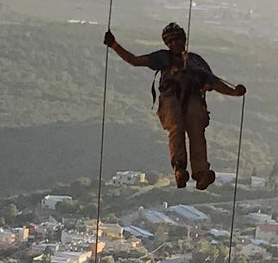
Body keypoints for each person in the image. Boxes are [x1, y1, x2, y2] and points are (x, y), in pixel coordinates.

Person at [104, 21, 246, 188]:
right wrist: (114, 45)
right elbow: (134, 60)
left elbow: (213, 82)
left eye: (177, 39)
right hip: (170, 97)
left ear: (183, 40)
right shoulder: (163, 57)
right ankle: (180, 169)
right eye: (170, 41)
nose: (175, 44)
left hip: (193, 97)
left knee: (196, 131)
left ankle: (201, 173)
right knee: (176, 127)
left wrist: (234, 92)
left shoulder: (195, 61)